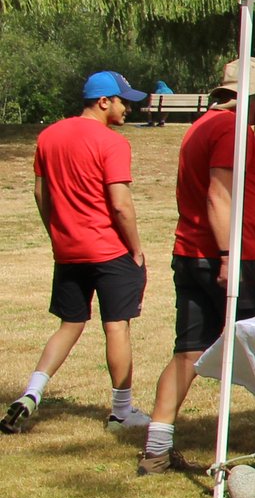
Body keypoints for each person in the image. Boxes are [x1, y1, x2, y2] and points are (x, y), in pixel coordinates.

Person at [140, 58, 255, 475]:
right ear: (249, 95)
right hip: (225, 260)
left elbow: (231, 203)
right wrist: (232, 257)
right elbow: (218, 196)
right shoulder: (229, 130)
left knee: (189, 352)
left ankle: (156, 450)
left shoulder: (202, 126)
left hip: (199, 253)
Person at [6, 72, 153, 437]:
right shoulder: (112, 143)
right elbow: (120, 205)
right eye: (124, 101)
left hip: (68, 250)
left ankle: (31, 393)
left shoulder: (48, 136)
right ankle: (120, 413)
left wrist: (56, 233)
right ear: (104, 101)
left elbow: (41, 194)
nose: (128, 108)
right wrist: (135, 249)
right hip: (109, 250)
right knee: (116, 326)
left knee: (70, 324)